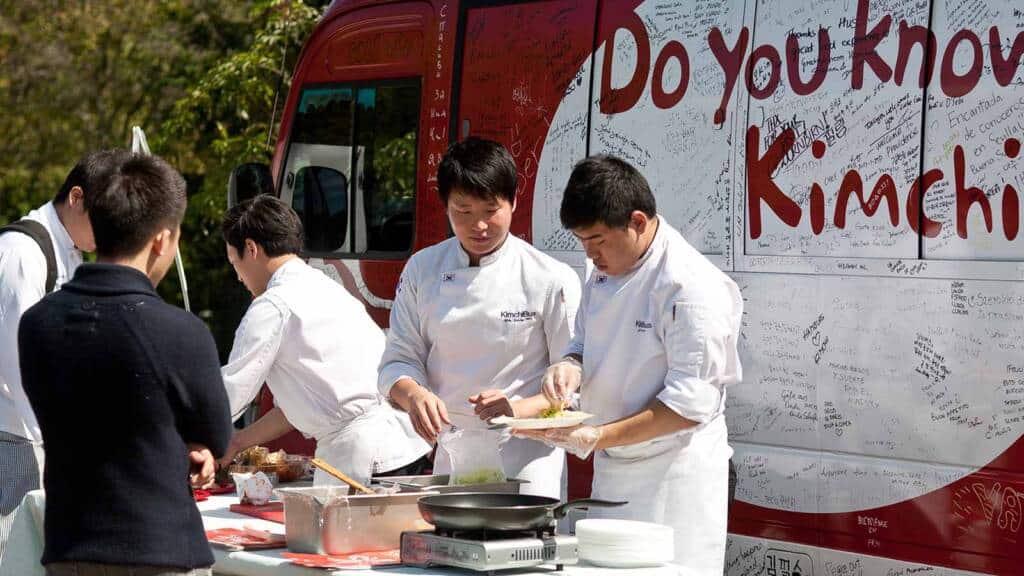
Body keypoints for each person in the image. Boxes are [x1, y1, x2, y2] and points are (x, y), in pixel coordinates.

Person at [517, 155, 742, 574]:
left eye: (598, 240)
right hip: (614, 465)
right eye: (582, 241)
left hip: (673, 476)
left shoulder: (690, 287)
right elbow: (583, 342)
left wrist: (595, 436)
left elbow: (687, 405)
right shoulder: (603, 270)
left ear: (638, 221)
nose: (590, 254)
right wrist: (569, 366)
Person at [19, 154, 231, 576]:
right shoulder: (179, 331)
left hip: (69, 547)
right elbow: (216, 435)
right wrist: (192, 447)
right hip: (160, 548)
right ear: (161, 240)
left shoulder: (38, 323)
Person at [378, 137, 581, 498]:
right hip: (453, 450)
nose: (479, 226)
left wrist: (515, 410)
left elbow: (573, 383)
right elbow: (397, 361)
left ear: (514, 202)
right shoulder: (423, 270)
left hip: (528, 459)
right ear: (445, 207)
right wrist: (415, 396)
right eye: (463, 211)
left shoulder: (549, 277)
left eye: (491, 210)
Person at [218, 196, 430, 486]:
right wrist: (238, 441)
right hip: (407, 449)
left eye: (234, 262)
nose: (239, 277)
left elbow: (230, 393)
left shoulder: (273, 305)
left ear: (251, 249)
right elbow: (299, 408)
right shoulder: (326, 288)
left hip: (364, 458)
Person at [0, 149, 132, 561]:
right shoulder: (23, 252)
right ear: (76, 197)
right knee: (10, 557)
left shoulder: (67, 253)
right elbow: (18, 359)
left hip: (35, 432)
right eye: (104, 217)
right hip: (15, 434)